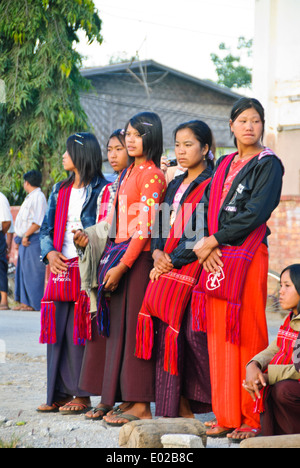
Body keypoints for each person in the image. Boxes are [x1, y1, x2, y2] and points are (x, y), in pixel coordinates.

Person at [192, 97, 284, 440]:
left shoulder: (269, 164)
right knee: (219, 338)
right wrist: (204, 248)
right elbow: (202, 208)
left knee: (247, 332)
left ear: (263, 126)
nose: (250, 126)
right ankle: (227, 414)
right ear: (231, 126)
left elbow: (256, 213)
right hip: (215, 259)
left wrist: (213, 239)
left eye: (256, 121)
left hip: (247, 256)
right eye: (243, 120)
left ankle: (252, 417)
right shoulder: (225, 163)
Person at [90, 111, 166, 426]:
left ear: (150, 137)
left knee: (137, 331)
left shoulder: (152, 175)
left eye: (136, 134)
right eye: (128, 133)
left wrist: (123, 265)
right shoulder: (128, 173)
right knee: (117, 332)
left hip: (137, 261)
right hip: (120, 255)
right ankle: (117, 398)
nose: (130, 139)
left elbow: (145, 227)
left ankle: (141, 404)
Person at [137, 120, 214, 418]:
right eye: (177, 145)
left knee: (188, 337)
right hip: (166, 265)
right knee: (165, 335)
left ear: (205, 148)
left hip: (192, 270)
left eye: (189, 144)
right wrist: (157, 252)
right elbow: (159, 224)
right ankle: (173, 407)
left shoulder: (210, 184)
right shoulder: (173, 185)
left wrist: (169, 262)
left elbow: (199, 231)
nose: (181, 151)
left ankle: (196, 406)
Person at [37, 132, 107, 414]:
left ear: (80, 155)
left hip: (87, 267)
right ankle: (58, 393)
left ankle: (82, 395)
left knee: (79, 333)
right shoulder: (59, 189)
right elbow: (46, 229)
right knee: (57, 335)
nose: (63, 157)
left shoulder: (104, 189)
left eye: (67, 152)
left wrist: (88, 239)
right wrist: (50, 253)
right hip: (59, 265)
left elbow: (106, 228)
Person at [74, 129, 129, 420]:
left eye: (119, 149)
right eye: (110, 150)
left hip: (128, 262)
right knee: (105, 334)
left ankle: (122, 399)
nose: (113, 155)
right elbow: (101, 227)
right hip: (106, 263)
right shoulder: (108, 189)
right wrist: (87, 239)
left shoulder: (144, 181)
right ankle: (105, 397)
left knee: (122, 335)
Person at [243, 264, 300, 437]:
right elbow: (275, 347)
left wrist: (267, 377)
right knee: (261, 382)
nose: (280, 292)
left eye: (287, 286)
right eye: (280, 285)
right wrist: (253, 365)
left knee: (283, 390)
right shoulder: (290, 318)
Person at [13, 170, 47, 311]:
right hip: (24, 238)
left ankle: (34, 303)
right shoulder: (29, 198)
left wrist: (26, 235)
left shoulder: (38, 197)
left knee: (33, 271)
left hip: (32, 238)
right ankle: (25, 302)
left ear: (27, 182)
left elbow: (38, 221)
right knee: (23, 271)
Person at [0, 192, 12, 310]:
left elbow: (7, 222)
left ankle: (4, 300)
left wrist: (2, 234)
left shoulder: (1, 198)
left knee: (0, 267)